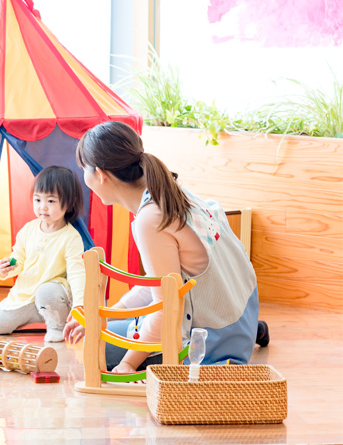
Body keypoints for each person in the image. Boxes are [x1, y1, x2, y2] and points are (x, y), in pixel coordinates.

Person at [65, 121, 261, 373]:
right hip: (238, 318)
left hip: (209, 342)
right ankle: (253, 333)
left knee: (101, 344)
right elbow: (160, 283)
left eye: (84, 169)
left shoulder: (151, 219)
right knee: (104, 328)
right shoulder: (169, 191)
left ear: (101, 174)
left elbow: (167, 307)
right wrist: (105, 315)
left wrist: (127, 364)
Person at [0, 166, 86, 343]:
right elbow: (18, 259)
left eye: (51, 201)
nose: (42, 207)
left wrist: (79, 306)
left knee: (47, 292)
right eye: (38, 199)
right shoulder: (28, 230)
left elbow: (77, 274)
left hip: (53, 294)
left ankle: (57, 324)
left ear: (69, 203)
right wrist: (7, 267)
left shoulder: (71, 237)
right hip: (27, 295)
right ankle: (42, 313)